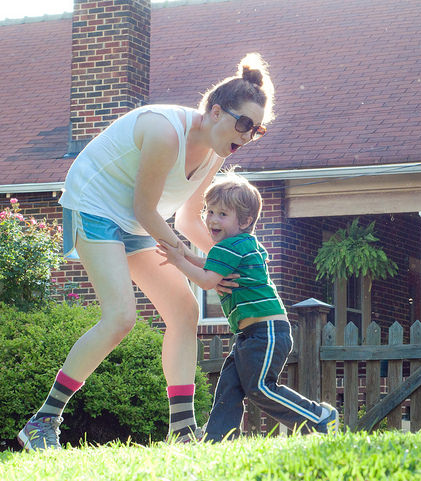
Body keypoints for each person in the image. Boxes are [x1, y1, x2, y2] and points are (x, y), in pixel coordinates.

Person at [17, 53, 275, 451]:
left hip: (139, 224)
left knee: (185, 312)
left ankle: (183, 431)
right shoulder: (165, 132)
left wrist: (229, 262)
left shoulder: (216, 151)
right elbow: (145, 209)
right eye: (243, 123)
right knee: (120, 317)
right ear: (216, 111)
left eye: (255, 130)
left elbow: (189, 222)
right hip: (95, 207)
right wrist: (193, 261)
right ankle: (43, 422)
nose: (247, 135)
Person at [156, 171, 339, 442]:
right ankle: (218, 438)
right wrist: (186, 254)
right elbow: (209, 266)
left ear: (245, 220)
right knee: (229, 386)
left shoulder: (229, 246)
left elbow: (207, 280)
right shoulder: (238, 245)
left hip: (265, 332)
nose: (212, 219)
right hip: (252, 335)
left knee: (260, 388)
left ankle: (319, 418)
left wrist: (178, 261)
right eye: (210, 211)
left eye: (222, 214)